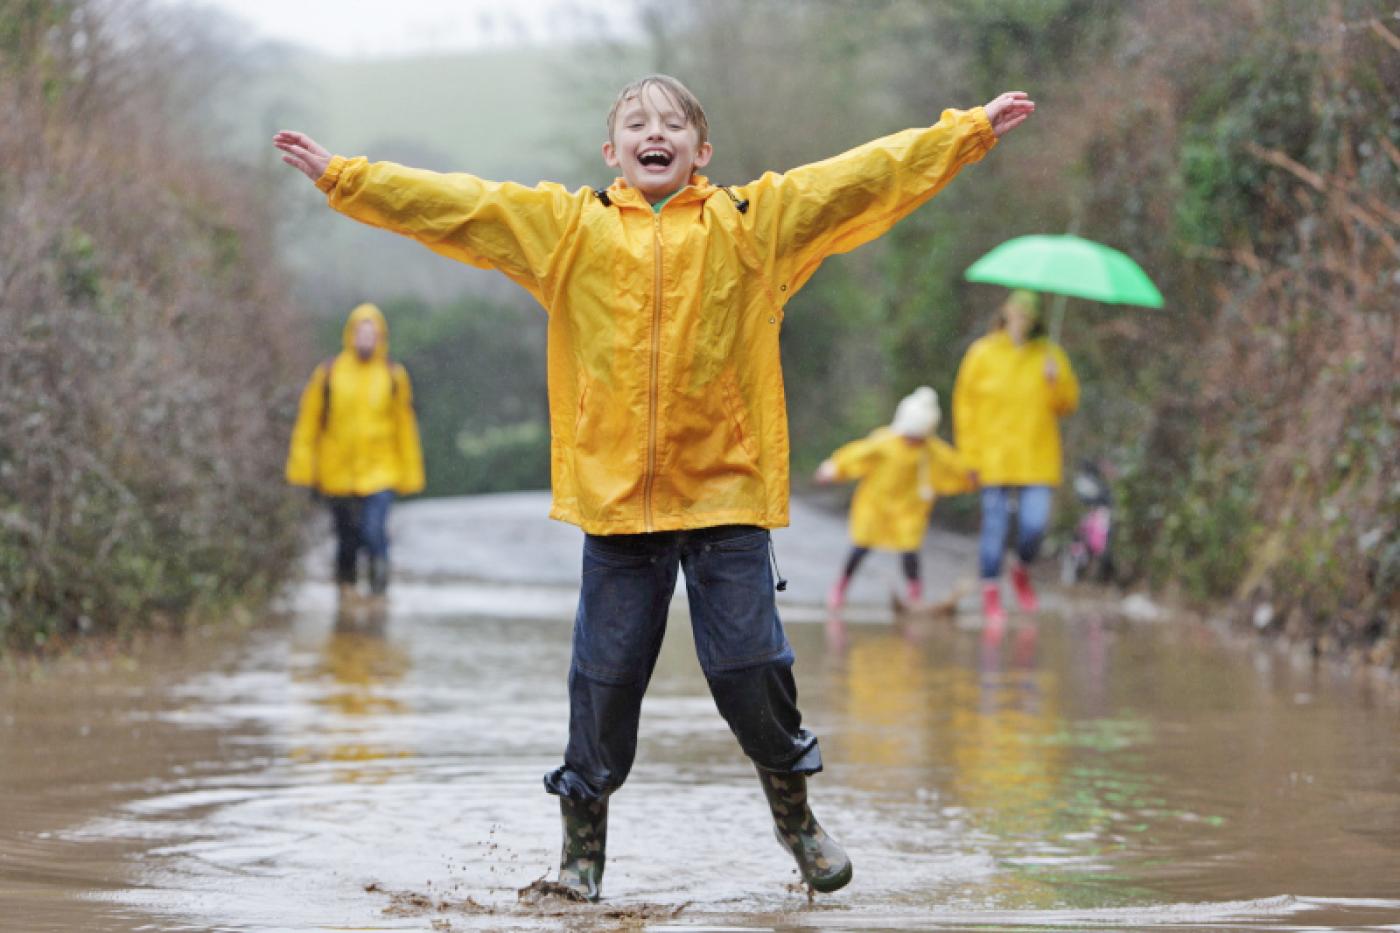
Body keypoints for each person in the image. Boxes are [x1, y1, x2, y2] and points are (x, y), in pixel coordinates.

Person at [274, 75, 1034, 900]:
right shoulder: (568, 230)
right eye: (637, 123)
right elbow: (458, 207)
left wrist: (967, 133)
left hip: (726, 497)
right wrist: (344, 178)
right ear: (612, 152)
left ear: (702, 150)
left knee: (751, 667)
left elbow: (864, 178)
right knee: (602, 684)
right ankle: (581, 860)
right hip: (617, 506)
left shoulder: (753, 225)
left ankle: (796, 818)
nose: (654, 132)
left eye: (673, 123)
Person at [952, 289, 1078, 635]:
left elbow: (1067, 404)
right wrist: (969, 456)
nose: (1022, 317)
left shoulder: (1050, 355)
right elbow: (964, 407)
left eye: (1029, 312)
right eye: (1018, 310)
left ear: (1036, 318)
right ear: (1005, 311)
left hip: (1037, 457)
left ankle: (1021, 569)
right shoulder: (982, 353)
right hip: (993, 457)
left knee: (1034, 526)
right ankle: (991, 593)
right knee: (994, 528)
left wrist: (1056, 381)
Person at [285, 303, 425, 599]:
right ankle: (346, 595)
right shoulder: (329, 373)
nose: (366, 339)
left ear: (381, 337)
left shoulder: (393, 375)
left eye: (371, 333)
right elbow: (308, 423)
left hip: (381, 470)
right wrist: (302, 467)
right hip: (337, 471)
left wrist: (410, 473)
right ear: (350, 334)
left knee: (373, 531)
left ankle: (378, 593)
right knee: (346, 539)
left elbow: (405, 427)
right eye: (361, 332)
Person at [815, 387, 974, 611]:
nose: (912, 442)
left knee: (910, 550)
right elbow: (857, 454)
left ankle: (914, 595)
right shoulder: (884, 442)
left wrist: (970, 477)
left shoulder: (930, 449)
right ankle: (841, 587)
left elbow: (952, 464)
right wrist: (834, 468)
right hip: (876, 505)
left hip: (909, 508)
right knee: (861, 547)